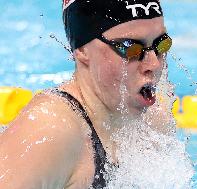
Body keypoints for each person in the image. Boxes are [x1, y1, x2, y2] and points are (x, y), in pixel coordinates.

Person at [0, 0, 172, 188]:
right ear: (81, 49)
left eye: (161, 45)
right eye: (130, 48)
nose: (154, 64)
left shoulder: (154, 124)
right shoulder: (51, 131)